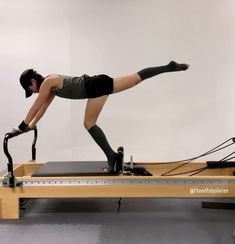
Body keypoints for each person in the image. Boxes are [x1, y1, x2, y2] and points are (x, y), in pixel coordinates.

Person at [15, 61, 190, 172]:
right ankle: (169, 67)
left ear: (32, 82)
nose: (34, 92)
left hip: (94, 87)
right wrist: (31, 126)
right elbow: (42, 108)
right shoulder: (51, 87)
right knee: (136, 79)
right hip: (98, 82)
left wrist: (21, 127)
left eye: (30, 89)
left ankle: (112, 156)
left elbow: (36, 105)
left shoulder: (47, 82)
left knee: (89, 123)